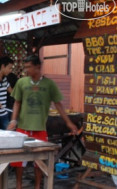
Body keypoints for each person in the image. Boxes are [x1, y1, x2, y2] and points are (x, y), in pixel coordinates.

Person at [7, 55, 78, 189]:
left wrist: (69, 123)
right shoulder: (21, 82)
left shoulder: (49, 84)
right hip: (22, 128)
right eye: (25, 67)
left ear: (38, 67)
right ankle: (18, 186)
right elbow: (17, 102)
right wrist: (13, 120)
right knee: (18, 161)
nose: (26, 70)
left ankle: (38, 186)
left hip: (40, 129)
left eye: (29, 67)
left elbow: (58, 105)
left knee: (39, 161)